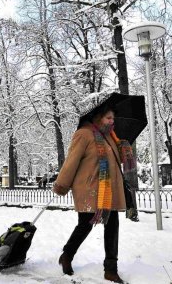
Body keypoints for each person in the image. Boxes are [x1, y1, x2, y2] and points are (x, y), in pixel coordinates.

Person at [52, 105, 127, 283]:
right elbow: (71, 161)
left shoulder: (111, 137)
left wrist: (122, 148)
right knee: (85, 226)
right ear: (98, 117)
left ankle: (111, 269)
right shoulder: (83, 134)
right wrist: (62, 184)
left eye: (113, 119)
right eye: (108, 118)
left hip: (109, 192)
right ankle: (67, 255)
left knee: (112, 227)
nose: (112, 122)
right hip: (89, 189)